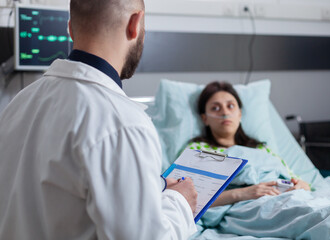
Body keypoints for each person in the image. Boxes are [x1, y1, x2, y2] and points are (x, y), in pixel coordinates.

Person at [0, 0, 197, 239]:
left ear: (71, 29)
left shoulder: (19, 103)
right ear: (135, 23)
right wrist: (181, 202)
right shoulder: (123, 123)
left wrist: (156, 185)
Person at [187, 81, 310, 207]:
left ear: (239, 114)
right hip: (247, 209)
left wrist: (301, 186)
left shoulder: (261, 149)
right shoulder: (198, 150)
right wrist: (243, 193)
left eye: (230, 106)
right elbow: (191, 199)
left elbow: (300, 182)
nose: (225, 113)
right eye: (216, 108)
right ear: (204, 118)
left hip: (284, 200)